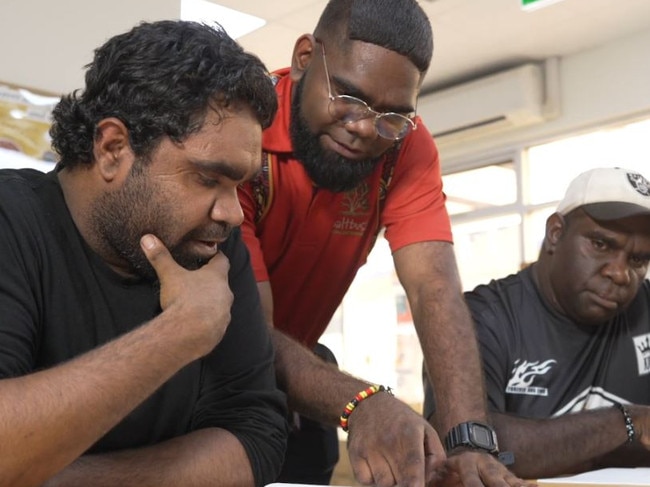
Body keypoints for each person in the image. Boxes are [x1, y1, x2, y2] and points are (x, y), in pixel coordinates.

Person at [237, 1, 528, 485]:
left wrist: (470, 441)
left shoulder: (405, 146)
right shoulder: (240, 129)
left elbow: (433, 287)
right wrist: (363, 403)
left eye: (392, 115)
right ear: (306, 57)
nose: (364, 129)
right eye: (348, 97)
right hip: (211, 366)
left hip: (301, 363)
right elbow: (247, 327)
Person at [0, 20, 288, 487]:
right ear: (113, 148)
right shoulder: (11, 222)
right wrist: (179, 334)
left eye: (240, 184)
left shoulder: (212, 247)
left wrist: (53, 479)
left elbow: (256, 437)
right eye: (208, 177)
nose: (233, 213)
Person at [431, 167, 650, 479]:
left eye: (638, 260)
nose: (619, 273)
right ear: (556, 233)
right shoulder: (479, 318)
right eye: (601, 244)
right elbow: (468, 450)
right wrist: (630, 422)